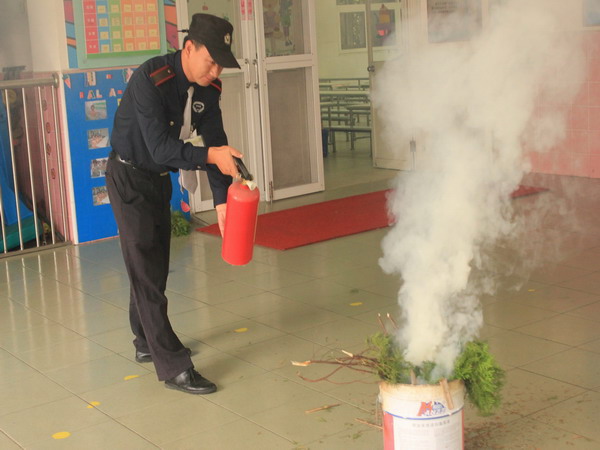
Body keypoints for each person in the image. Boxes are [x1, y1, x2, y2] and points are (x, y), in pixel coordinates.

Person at [105, 13, 242, 395]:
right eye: (209, 61)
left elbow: (216, 141)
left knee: (154, 267)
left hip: (157, 179)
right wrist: (212, 156)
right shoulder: (152, 79)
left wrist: (222, 201)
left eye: (220, 65)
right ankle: (174, 366)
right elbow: (161, 148)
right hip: (128, 176)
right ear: (188, 48)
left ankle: (144, 341)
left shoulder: (208, 90)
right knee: (145, 272)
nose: (214, 71)